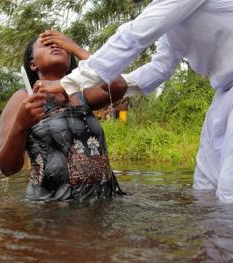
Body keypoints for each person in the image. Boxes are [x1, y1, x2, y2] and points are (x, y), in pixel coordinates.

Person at [38, 2, 233, 203]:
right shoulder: (171, 22)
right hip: (223, 96)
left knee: (229, 192)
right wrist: (119, 85)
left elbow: (134, 35)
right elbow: (160, 67)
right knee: (206, 189)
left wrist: (71, 81)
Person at [0, 33, 128, 202]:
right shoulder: (23, 99)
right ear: (33, 64)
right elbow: (6, 168)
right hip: (52, 212)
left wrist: (75, 47)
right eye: (46, 43)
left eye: (61, 44)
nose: (55, 45)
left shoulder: (82, 94)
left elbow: (119, 84)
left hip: (102, 204)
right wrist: (21, 124)